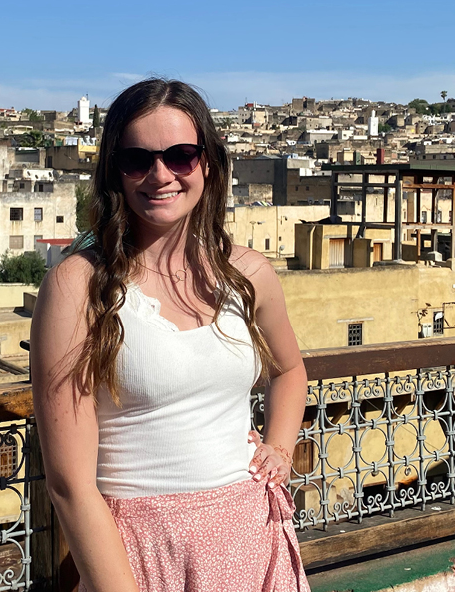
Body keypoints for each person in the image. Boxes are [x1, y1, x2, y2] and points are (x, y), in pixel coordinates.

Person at [30, 78, 310, 592]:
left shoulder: (247, 273)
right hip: (140, 550)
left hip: (252, 535)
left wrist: (280, 448)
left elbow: (290, 371)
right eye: (138, 159)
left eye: (180, 155)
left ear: (207, 163)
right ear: (114, 170)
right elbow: (69, 484)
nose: (160, 175)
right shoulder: (79, 287)